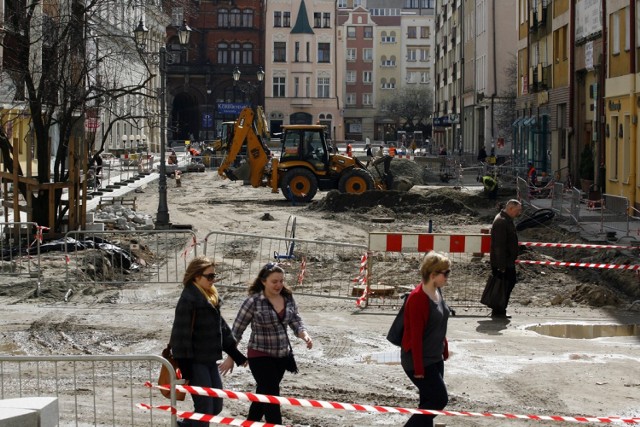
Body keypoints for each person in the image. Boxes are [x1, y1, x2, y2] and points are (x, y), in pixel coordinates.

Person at [220, 263, 312, 425]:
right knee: (271, 395)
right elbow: (236, 331)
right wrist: (231, 357)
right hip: (259, 354)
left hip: (282, 355)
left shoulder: (288, 297)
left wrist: (304, 335)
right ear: (263, 281)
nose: (278, 285)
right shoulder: (253, 302)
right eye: (274, 281)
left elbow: (295, 320)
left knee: (263, 393)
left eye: (281, 281)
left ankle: (250, 422)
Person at [170, 256, 247, 427]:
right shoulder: (188, 299)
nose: (214, 280)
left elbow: (222, 329)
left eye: (214, 276)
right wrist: (186, 369)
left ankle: (182, 425)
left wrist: (236, 354)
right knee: (205, 409)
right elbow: (179, 336)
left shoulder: (211, 297)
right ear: (197, 276)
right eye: (209, 276)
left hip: (211, 360)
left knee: (216, 406)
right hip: (195, 363)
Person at [401, 251, 451, 427]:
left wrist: (444, 348)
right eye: (446, 273)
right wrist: (419, 368)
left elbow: (439, 322)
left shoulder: (437, 293)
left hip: (435, 358)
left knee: (427, 406)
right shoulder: (417, 299)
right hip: (418, 360)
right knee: (439, 400)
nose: (447, 277)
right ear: (433, 275)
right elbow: (415, 336)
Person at [489, 199, 523, 318]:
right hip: (503, 263)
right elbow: (499, 246)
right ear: (511, 209)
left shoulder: (506, 220)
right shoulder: (502, 222)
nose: (519, 213)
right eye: (518, 210)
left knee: (507, 284)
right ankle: (498, 310)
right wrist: (501, 266)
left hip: (506, 261)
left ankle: (500, 309)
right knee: (503, 285)